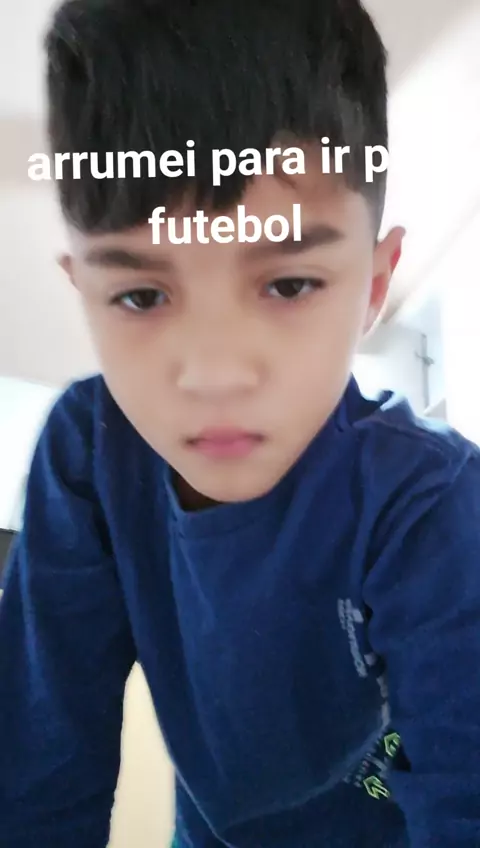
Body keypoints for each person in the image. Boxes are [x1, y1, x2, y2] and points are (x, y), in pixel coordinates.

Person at [0, 0, 479, 845]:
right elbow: (41, 769)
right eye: (141, 296)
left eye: (288, 285)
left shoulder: (430, 499)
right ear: (87, 295)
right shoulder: (91, 455)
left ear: (374, 287)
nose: (215, 372)